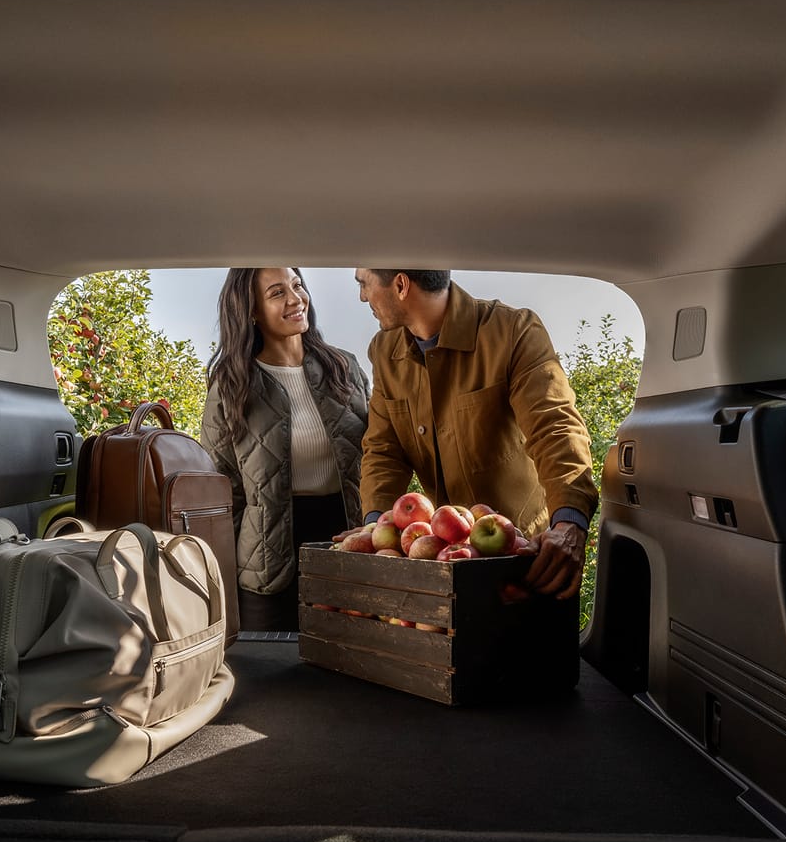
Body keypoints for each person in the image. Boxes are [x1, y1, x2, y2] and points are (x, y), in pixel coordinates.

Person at [353, 269, 597, 599]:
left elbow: (555, 429)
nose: (362, 297)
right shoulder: (384, 351)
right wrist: (376, 530)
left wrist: (569, 523)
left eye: (363, 283)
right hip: (444, 565)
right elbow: (383, 451)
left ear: (400, 285)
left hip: (525, 558)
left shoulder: (513, 331)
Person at [200, 268, 370, 632]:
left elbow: (377, 458)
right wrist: (221, 583)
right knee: (270, 664)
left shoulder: (345, 368)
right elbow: (223, 494)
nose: (296, 299)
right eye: (277, 293)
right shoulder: (231, 386)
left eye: (297, 285)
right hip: (268, 563)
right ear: (251, 310)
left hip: (347, 547)